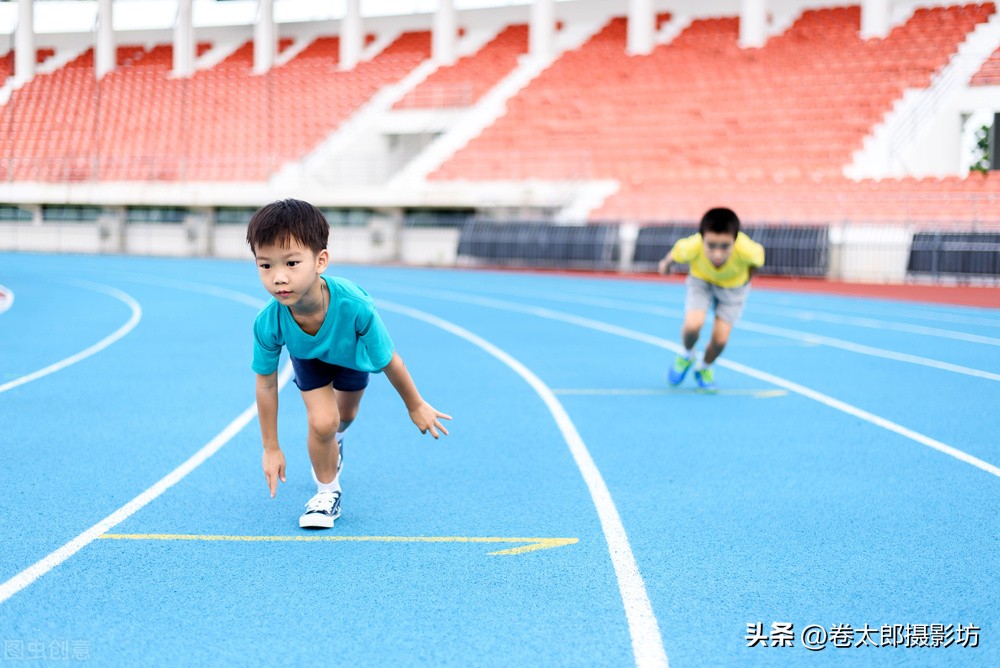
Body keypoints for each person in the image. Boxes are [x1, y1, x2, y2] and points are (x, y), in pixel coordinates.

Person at [247, 199, 451, 529]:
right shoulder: (268, 321)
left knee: (345, 417)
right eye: (265, 265)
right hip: (309, 358)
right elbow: (266, 383)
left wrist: (415, 405)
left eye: (292, 263)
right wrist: (271, 447)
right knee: (323, 422)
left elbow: (390, 362)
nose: (278, 278)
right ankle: (327, 493)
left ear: (321, 260)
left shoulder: (357, 307)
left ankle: (334, 444)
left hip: (352, 357)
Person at [657, 207, 764, 390]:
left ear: (735, 240)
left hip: (733, 289)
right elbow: (671, 257)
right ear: (701, 239)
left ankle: (704, 367)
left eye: (725, 246)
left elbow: (756, 263)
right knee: (692, 326)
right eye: (711, 246)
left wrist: (745, 281)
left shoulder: (749, 250)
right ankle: (686, 354)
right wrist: (666, 265)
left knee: (720, 341)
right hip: (702, 282)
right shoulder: (691, 246)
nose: (717, 254)